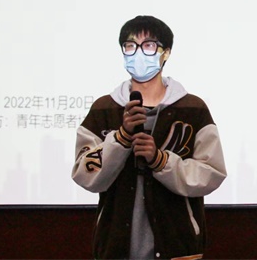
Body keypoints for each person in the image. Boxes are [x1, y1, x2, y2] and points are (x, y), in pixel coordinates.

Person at [71, 15, 227, 260]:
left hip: (178, 247)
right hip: (115, 248)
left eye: (149, 46)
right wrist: (121, 139)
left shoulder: (192, 109)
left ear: (166, 53)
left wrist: (160, 160)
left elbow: (212, 173)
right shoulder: (104, 109)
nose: (138, 54)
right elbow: (84, 174)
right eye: (130, 46)